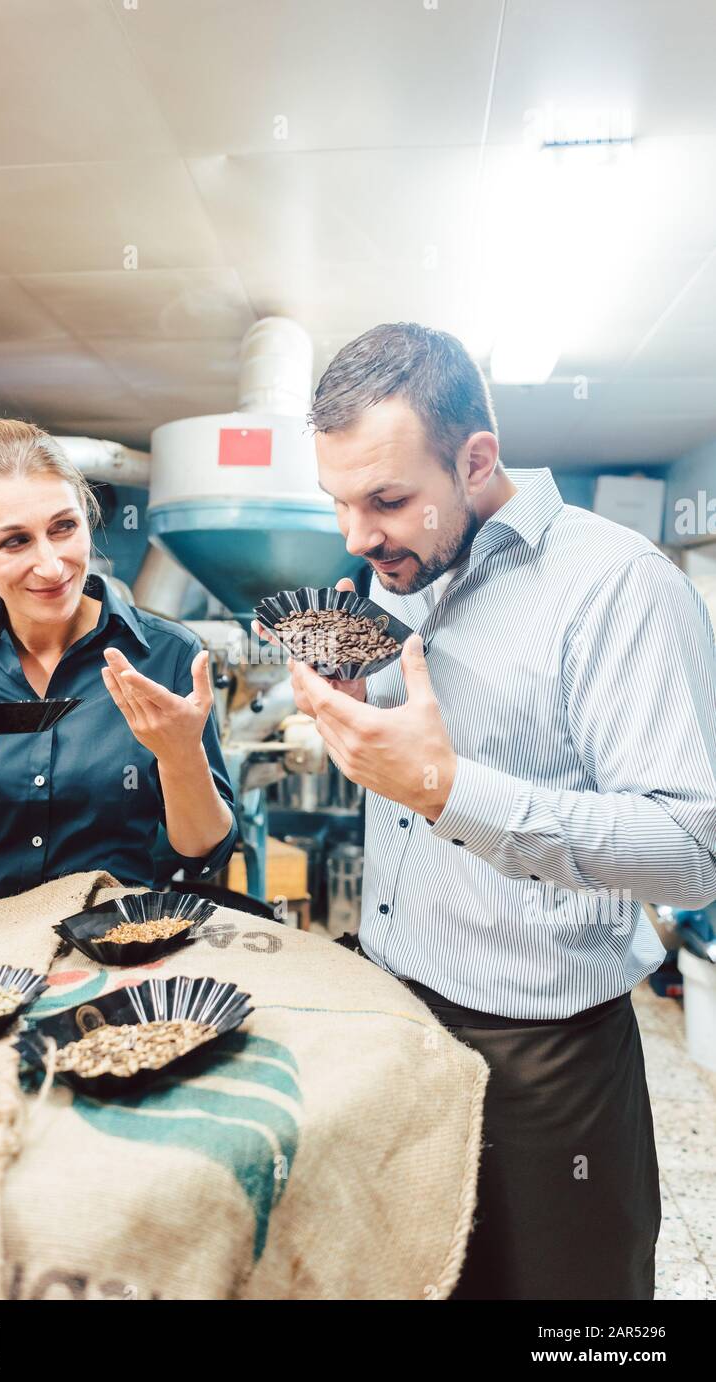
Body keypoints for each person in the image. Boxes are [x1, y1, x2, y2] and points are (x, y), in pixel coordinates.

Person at [274, 322, 716, 1300]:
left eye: (386, 499)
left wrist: (447, 789)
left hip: (545, 1063)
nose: (357, 537)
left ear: (477, 461)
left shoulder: (617, 586)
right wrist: (361, 715)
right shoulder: (404, 581)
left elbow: (695, 846)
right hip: (401, 1022)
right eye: (339, 503)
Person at [0, 419, 238, 908]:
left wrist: (182, 755)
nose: (52, 565)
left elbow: (204, 852)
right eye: (15, 541)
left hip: (112, 942)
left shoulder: (166, 655)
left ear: (86, 515)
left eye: (64, 527)